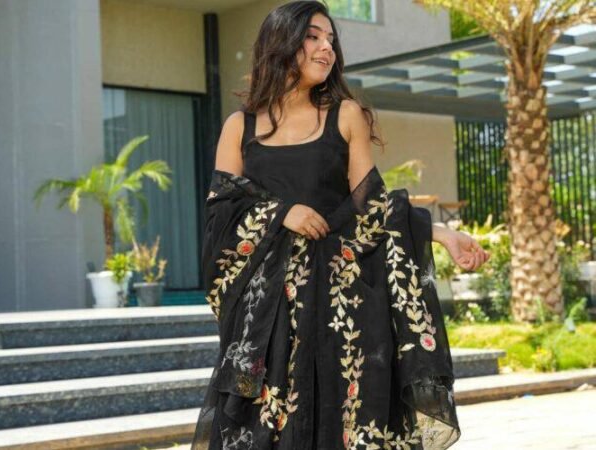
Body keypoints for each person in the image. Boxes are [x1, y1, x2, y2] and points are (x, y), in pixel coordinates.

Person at [191, 2, 489, 449]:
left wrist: (443, 234)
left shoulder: (345, 115)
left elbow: (374, 208)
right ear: (281, 42)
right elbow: (220, 216)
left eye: (330, 39)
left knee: (340, 422)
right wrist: (280, 213)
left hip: (341, 307)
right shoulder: (240, 127)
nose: (326, 47)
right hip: (269, 320)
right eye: (313, 36)